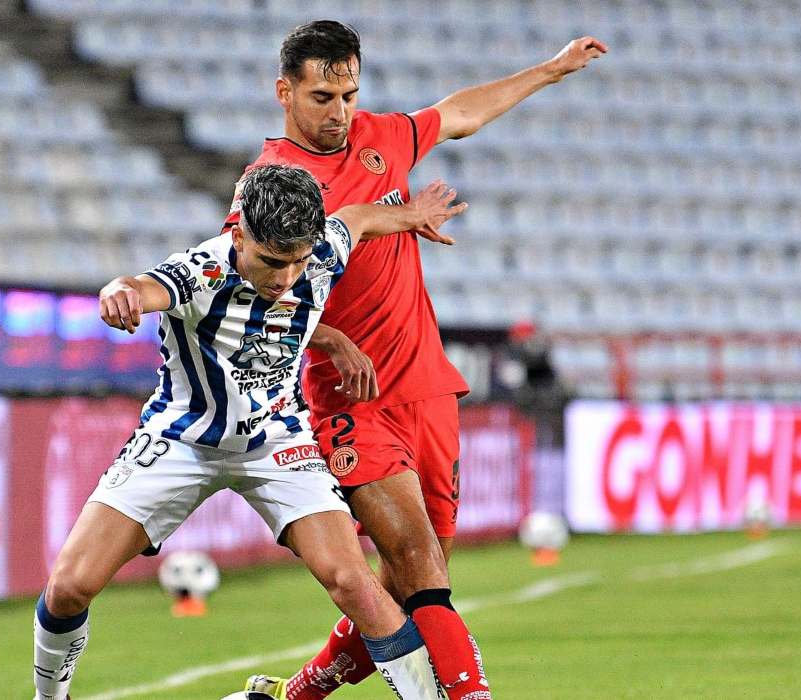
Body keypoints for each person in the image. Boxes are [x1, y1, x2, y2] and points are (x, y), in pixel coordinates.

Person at [227, 21, 607, 700]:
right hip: (350, 400)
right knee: (416, 561)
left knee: (409, 580)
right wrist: (330, 339)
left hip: (427, 388)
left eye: (348, 94)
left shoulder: (381, 138)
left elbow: (459, 112)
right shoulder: (269, 186)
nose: (339, 112)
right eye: (322, 97)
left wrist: (550, 69)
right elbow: (245, 290)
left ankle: (294, 696)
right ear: (284, 92)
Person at [32, 164, 466, 700]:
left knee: (355, 583)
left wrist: (409, 215)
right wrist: (117, 292)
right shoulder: (198, 272)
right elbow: (141, 287)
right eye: (270, 261)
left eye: (297, 262)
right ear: (238, 235)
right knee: (69, 586)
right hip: (181, 442)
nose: (285, 278)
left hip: (276, 441)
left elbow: (355, 218)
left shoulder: (322, 250)